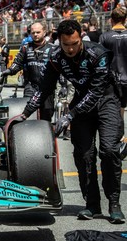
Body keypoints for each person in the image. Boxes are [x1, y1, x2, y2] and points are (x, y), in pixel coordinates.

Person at [21, 20, 125, 224]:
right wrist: (25, 113)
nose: (70, 49)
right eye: (66, 44)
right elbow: (44, 89)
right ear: (59, 41)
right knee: (83, 155)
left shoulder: (98, 54)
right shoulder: (56, 57)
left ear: (81, 38)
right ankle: (92, 204)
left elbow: (96, 92)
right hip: (80, 103)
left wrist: (70, 115)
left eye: (75, 43)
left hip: (106, 100)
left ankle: (114, 203)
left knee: (109, 150)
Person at [0, 22, 58, 121]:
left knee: (46, 118)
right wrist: (8, 71)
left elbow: (59, 69)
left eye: (38, 32)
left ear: (44, 32)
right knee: (29, 117)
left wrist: (64, 85)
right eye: (33, 32)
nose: (35, 34)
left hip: (47, 89)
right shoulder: (25, 48)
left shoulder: (53, 49)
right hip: (30, 86)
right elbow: (17, 64)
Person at [99, 7, 127, 159]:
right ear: (125, 19)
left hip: (113, 80)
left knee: (118, 111)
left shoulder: (105, 36)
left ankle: (119, 139)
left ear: (111, 19)